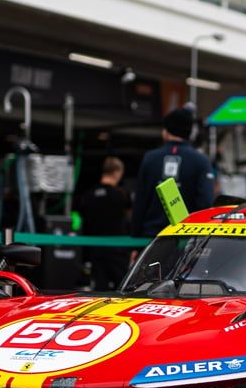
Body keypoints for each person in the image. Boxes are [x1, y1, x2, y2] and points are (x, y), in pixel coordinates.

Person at [131, 106, 215, 236]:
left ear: (166, 131)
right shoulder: (201, 161)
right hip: (187, 238)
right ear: (190, 133)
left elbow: (140, 201)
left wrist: (136, 239)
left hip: (153, 238)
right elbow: (205, 203)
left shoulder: (150, 158)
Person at [78, 156, 132, 291]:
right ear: (117, 172)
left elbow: (81, 217)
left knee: (99, 289)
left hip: (94, 250)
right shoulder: (121, 195)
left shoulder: (89, 195)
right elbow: (130, 218)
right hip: (117, 249)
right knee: (124, 289)